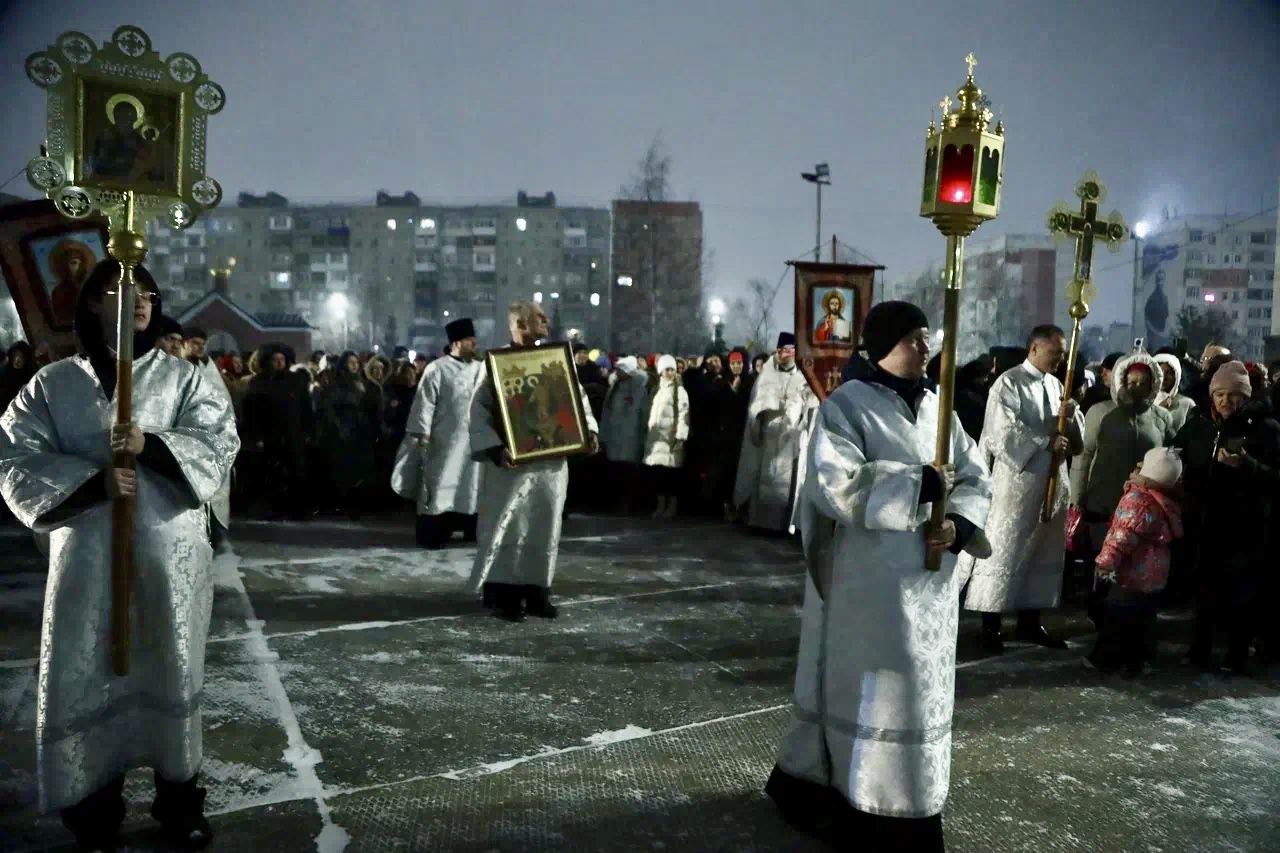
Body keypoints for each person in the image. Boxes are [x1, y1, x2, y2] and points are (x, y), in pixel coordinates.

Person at [0, 259, 237, 851]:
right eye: (122, 289)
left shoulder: (184, 378)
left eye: (148, 291)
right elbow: (14, 455)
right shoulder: (53, 384)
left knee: (169, 666)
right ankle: (94, 808)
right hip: (86, 556)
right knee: (87, 670)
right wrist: (92, 483)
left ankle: (179, 800)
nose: (140, 299)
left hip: (167, 557)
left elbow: (219, 440)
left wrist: (152, 444)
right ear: (91, 302)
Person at [766, 300, 993, 851]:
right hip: (870, 583)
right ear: (883, 345)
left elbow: (974, 474)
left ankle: (916, 802)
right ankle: (867, 802)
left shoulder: (940, 407)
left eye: (926, 337)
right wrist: (920, 484)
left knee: (923, 691)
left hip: (930, 583)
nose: (925, 347)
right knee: (877, 693)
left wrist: (959, 525)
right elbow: (835, 482)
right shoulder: (847, 406)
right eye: (913, 338)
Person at [468, 301, 599, 622]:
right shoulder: (496, 364)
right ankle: (504, 595)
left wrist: (589, 432)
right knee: (509, 526)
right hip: (511, 468)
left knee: (544, 526)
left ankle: (537, 591)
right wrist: (495, 449)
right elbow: (478, 410)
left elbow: (577, 399)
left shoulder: (554, 361)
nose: (546, 320)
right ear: (520, 324)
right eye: (539, 316)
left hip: (550, 466)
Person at [957, 325, 1083, 653]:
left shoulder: (1057, 385)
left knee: (1042, 551)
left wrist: (1070, 417)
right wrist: (1044, 441)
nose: (1059, 360)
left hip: (1052, 483)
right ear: (1034, 349)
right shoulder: (1009, 382)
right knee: (1005, 550)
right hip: (1017, 484)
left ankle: (1030, 620)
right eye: (1054, 353)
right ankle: (991, 625)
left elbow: (1074, 438)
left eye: (1062, 354)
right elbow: (1001, 432)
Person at [1172, 360, 1280, 673]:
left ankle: (1237, 655)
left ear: (1245, 396)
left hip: (1247, 523)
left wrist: (1247, 466)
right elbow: (1175, 452)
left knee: (1242, 593)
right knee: (1205, 589)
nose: (1225, 401)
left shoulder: (1266, 429)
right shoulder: (1199, 424)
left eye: (1233, 395)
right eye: (1219, 394)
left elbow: (1275, 477)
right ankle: (1199, 651)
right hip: (1206, 519)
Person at [1086, 447, 1184, 675]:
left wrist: (1104, 564)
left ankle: (1104, 659)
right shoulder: (1166, 501)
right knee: (1144, 619)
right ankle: (1138, 660)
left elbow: (1120, 537)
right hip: (1155, 576)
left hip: (1130, 574)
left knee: (1116, 616)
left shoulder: (1136, 500)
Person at [1070, 352, 1174, 549]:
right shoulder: (1100, 413)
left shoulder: (1162, 418)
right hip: (1102, 505)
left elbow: (1169, 460)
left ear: (1152, 384)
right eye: (1131, 382)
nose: (1137, 388)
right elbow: (1083, 457)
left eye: (1143, 383)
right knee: (1102, 559)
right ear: (1121, 381)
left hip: (1143, 511)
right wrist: (1076, 502)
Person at [406, 318, 485, 548]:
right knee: (440, 487)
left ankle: (470, 530)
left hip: (473, 441)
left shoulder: (481, 369)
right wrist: (422, 433)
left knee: (471, 487)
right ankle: (434, 535)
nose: (475, 344)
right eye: (470, 340)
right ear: (456, 342)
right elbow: (425, 403)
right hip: (443, 442)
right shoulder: (436, 369)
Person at [733, 333, 818, 532]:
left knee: (787, 481)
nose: (783, 354)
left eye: (788, 350)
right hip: (768, 434)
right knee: (765, 475)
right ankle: (760, 521)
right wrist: (759, 418)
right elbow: (756, 402)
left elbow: (811, 402)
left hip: (791, 435)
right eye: (780, 350)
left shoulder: (804, 374)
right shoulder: (767, 372)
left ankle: (782, 524)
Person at [241, 345, 314, 519]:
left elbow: (305, 408)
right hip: (269, 435)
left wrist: (307, 431)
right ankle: (271, 509)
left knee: (295, 472)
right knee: (270, 473)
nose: (279, 363)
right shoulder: (259, 382)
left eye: (282, 360)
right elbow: (251, 412)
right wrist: (256, 435)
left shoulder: (295, 381)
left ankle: (296, 509)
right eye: (275, 360)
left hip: (292, 434)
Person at [184, 325, 235, 550]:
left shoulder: (209, 371)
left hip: (210, 441)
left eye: (202, 344)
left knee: (215, 491)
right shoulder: (177, 367)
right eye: (194, 343)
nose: (199, 348)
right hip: (185, 441)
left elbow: (224, 404)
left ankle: (215, 534)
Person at [314, 350, 380, 515]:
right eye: (351, 363)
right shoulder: (337, 385)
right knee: (344, 470)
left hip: (361, 432)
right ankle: (342, 503)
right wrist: (340, 428)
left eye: (356, 362)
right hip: (344, 432)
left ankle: (358, 503)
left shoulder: (363, 382)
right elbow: (330, 409)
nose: (355, 366)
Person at [600, 355, 650, 513]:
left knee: (630, 471)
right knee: (617, 471)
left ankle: (630, 504)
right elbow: (606, 412)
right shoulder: (614, 388)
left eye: (621, 370)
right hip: (614, 436)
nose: (617, 372)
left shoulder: (639, 389)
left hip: (631, 436)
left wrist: (643, 435)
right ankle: (617, 503)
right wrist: (603, 435)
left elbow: (644, 414)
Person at [644, 354, 690, 520]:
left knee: (670, 476)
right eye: (666, 369)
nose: (670, 372)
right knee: (658, 475)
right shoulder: (658, 390)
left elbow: (684, 414)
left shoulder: (680, 390)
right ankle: (660, 505)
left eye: (672, 369)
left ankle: (672, 506)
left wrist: (681, 437)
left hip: (670, 440)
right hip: (656, 440)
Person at [1154, 353, 1194, 433]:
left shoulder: (1187, 404)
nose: (1164, 376)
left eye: (1169, 373)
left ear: (1176, 376)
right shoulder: (1143, 401)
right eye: (1160, 371)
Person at [0, 340, 36, 414]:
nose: (18, 359)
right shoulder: (3, 371)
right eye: (16, 355)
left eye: (22, 356)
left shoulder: (29, 375)